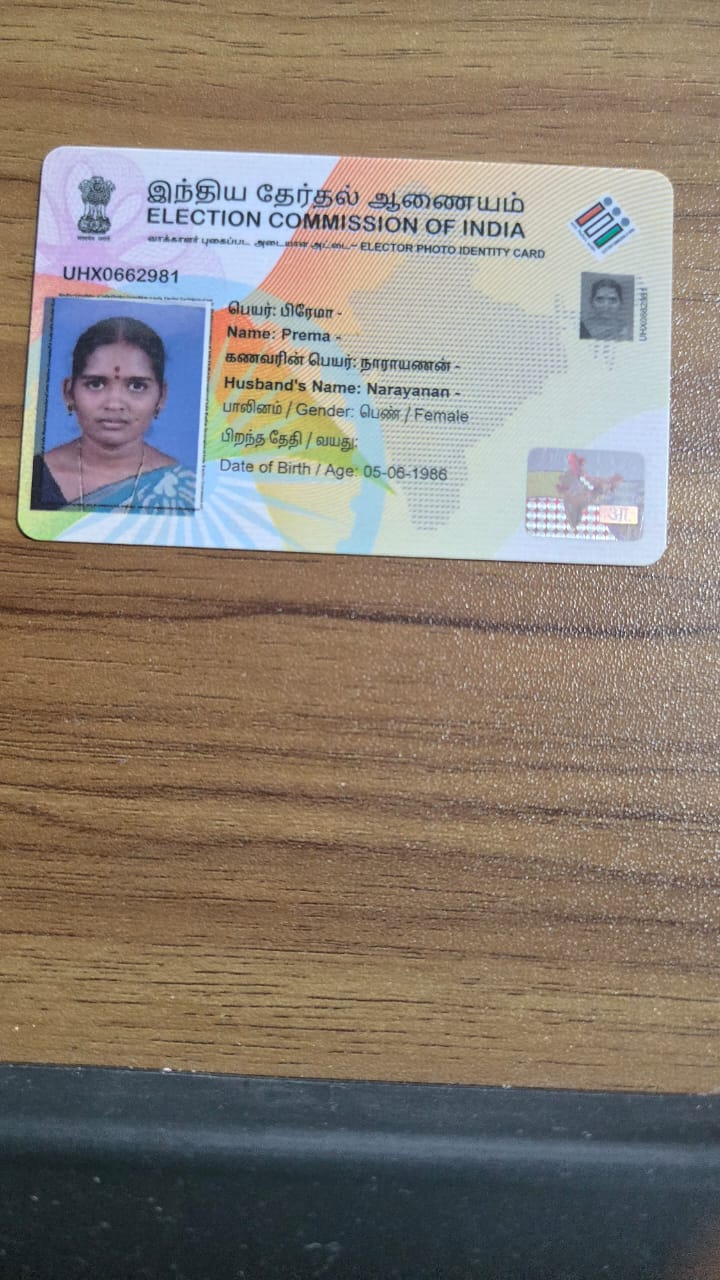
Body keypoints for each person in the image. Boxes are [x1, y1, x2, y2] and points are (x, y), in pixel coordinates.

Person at [32, 315, 196, 510]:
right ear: (68, 392)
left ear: (161, 396)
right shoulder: (33, 478)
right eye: (96, 384)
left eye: (137, 386)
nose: (114, 404)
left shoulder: (183, 487)